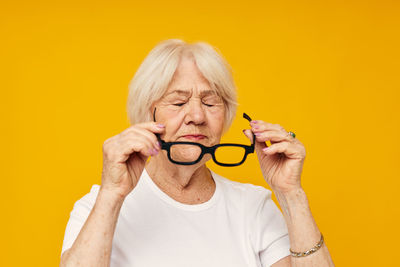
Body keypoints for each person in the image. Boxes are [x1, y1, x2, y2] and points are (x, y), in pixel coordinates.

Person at [60, 39, 334, 267]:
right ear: (146, 113)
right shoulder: (97, 206)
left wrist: (291, 194)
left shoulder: (254, 207)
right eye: (178, 102)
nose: (196, 115)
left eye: (210, 102)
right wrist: (110, 195)